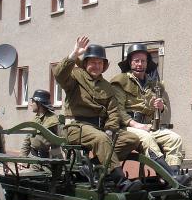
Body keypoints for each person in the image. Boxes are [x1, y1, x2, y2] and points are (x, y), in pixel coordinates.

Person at [53, 36, 140, 188]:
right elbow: (59, 75)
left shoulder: (107, 86)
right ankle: (121, 181)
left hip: (100, 130)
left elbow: (113, 112)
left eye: (100, 63)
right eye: (93, 62)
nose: (96, 66)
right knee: (101, 139)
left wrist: (110, 130)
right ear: (85, 63)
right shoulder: (75, 75)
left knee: (131, 139)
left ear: (104, 66)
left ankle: (91, 167)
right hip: (76, 126)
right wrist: (74, 54)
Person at [110, 43, 184, 177]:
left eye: (143, 61)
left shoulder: (153, 83)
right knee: (147, 138)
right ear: (130, 63)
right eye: (136, 61)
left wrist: (161, 107)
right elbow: (118, 110)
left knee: (175, 138)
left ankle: (175, 173)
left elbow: (164, 109)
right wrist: (135, 124)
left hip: (148, 126)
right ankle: (170, 176)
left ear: (147, 63)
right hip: (126, 127)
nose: (140, 64)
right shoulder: (120, 81)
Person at [19, 89, 63, 163]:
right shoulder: (35, 119)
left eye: (33, 102)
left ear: (39, 104)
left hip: (47, 161)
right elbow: (27, 140)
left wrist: (58, 162)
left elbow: (60, 141)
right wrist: (22, 159)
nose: (31, 104)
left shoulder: (53, 120)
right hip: (34, 160)